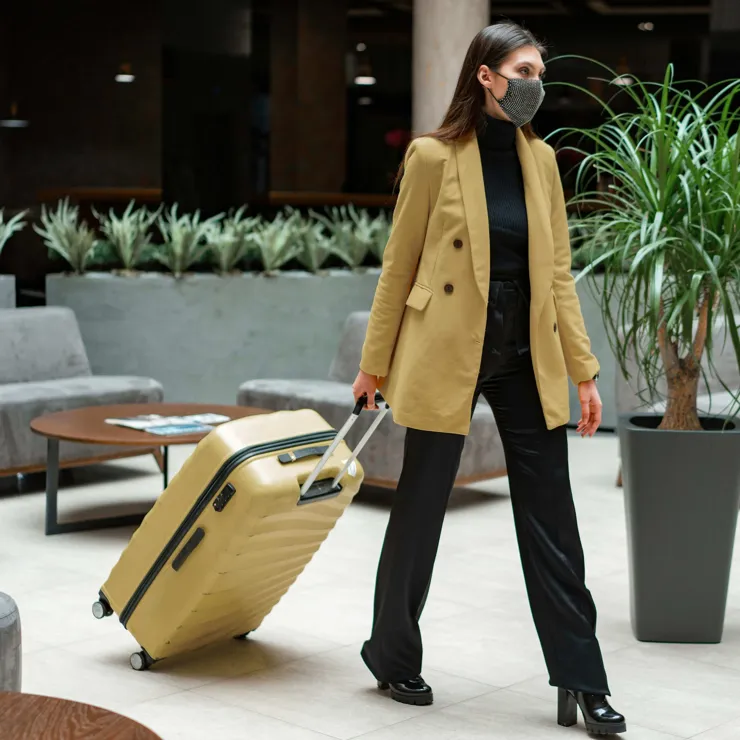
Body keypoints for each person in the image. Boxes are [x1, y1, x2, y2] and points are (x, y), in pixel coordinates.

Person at [352, 21, 627, 736]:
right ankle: (390, 653)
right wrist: (373, 365)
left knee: (554, 520)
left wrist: (585, 374)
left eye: (541, 71)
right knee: (420, 509)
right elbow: (398, 267)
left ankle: (582, 679)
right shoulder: (433, 158)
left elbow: (559, 276)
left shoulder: (542, 162)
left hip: (522, 353)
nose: (536, 83)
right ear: (486, 75)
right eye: (526, 70)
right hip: (449, 349)